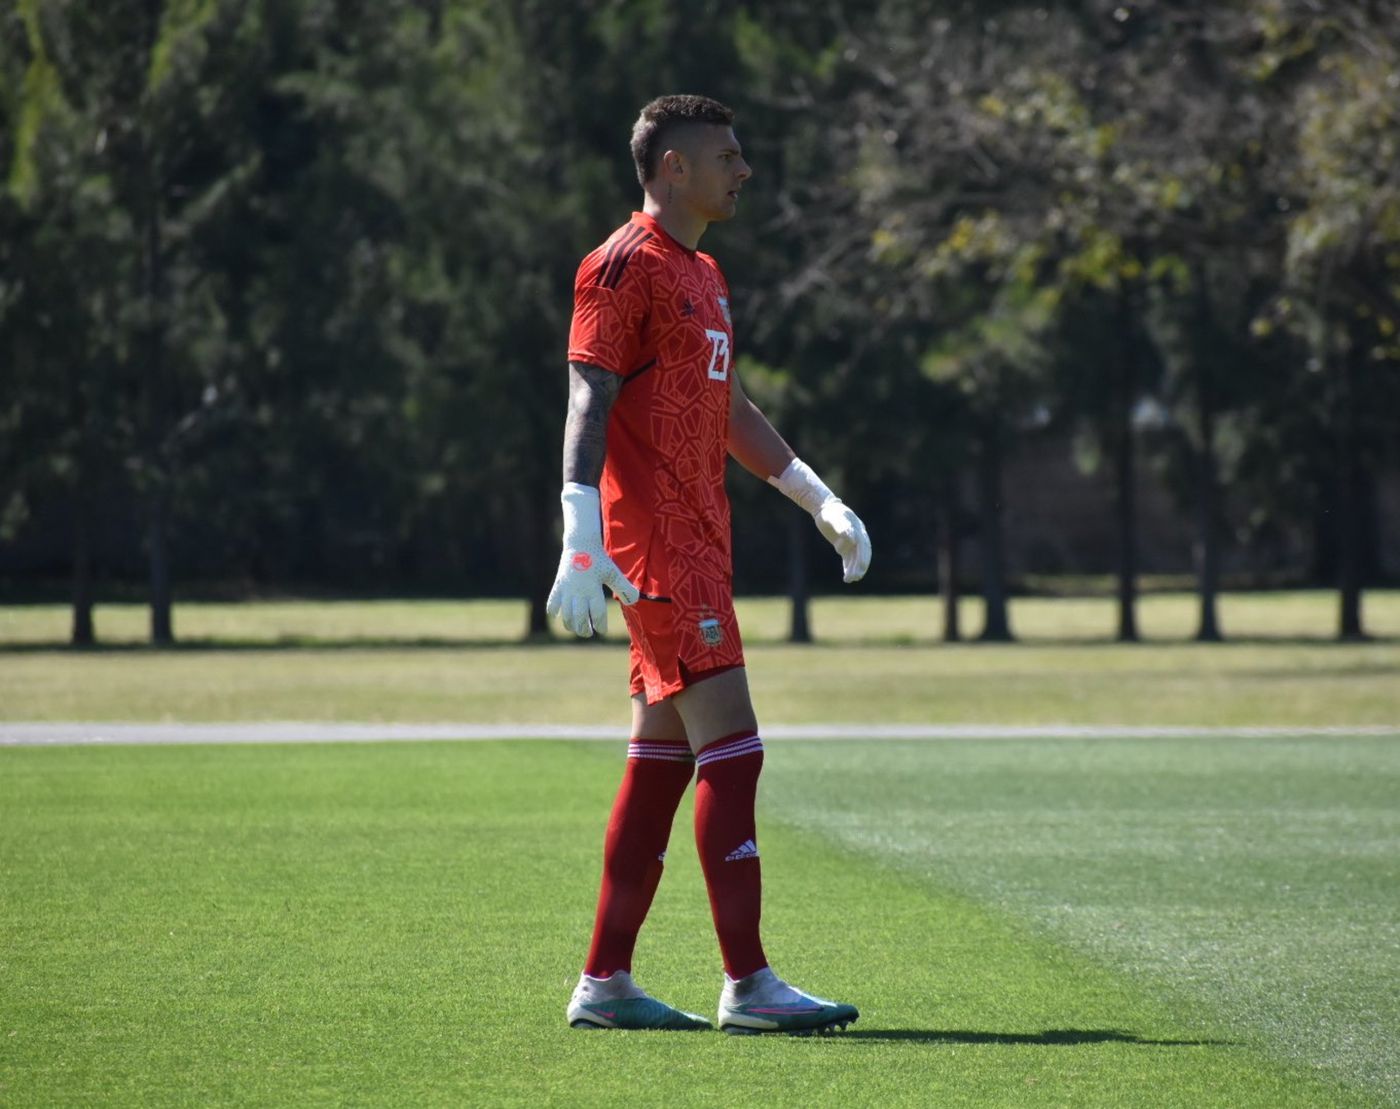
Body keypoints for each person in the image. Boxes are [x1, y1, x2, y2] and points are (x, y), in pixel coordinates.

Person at [547, 94, 871, 1035]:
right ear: (673, 166)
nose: (745, 169)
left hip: (701, 541)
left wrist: (816, 495)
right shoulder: (618, 267)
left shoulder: (705, 272)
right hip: (656, 546)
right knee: (737, 745)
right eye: (727, 154)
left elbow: (725, 410)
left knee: (661, 764)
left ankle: (606, 982)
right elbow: (586, 396)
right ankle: (750, 981)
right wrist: (578, 530)